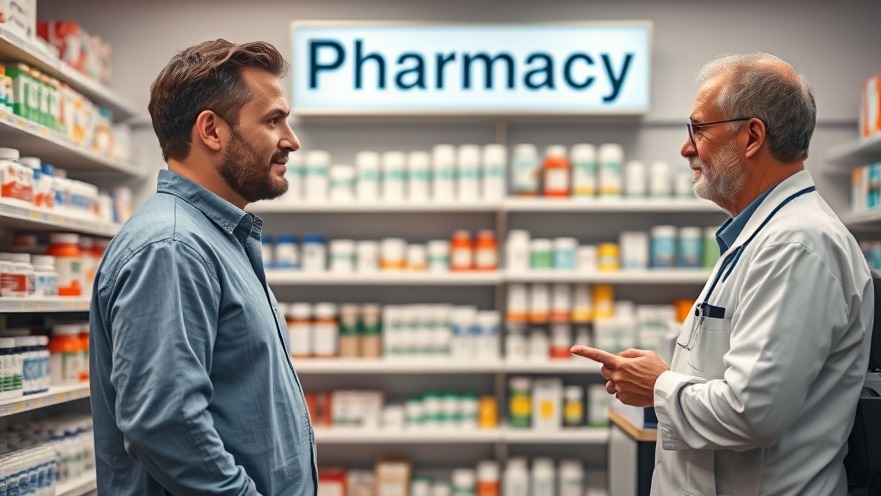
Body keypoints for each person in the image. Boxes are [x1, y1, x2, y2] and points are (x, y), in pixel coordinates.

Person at [572, 52, 874, 495]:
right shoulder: (763, 235)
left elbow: (752, 413)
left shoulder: (794, 246)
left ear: (752, 136)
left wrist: (658, 386)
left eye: (698, 129)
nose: (686, 148)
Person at [89, 39, 317, 495]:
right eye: (273, 120)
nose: (291, 140)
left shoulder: (214, 238)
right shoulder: (172, 247)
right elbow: (165, 425)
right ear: (212, 131)